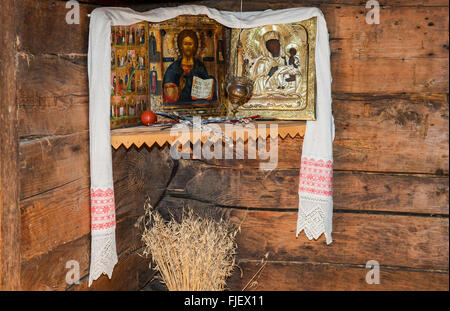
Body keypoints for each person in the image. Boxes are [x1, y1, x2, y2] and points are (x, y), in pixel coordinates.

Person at [163, 29, 216, 106]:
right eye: (185, 44)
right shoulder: (173, 68)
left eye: (190, 44)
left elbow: (207, 89)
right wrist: (179, 88)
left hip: (198, 105)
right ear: (180, 46)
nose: (188, 47)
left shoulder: (200, 66)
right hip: (178, 106)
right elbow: (168, 95)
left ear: (195, 46)